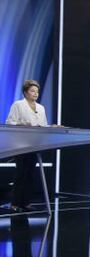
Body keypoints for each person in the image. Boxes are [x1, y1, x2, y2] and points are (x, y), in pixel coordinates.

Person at [6, 80, 48, 213]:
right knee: (21, 174)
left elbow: (43, 125)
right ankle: (14, 203)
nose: (35, 94)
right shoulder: (18, 105)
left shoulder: (41, 108)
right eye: (32, 91)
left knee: (31, 174)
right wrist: (24, 125)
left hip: (35, 144)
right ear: (25, 92)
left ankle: (26, 203)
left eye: (37, 91)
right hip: (20, 144)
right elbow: (10, 123)